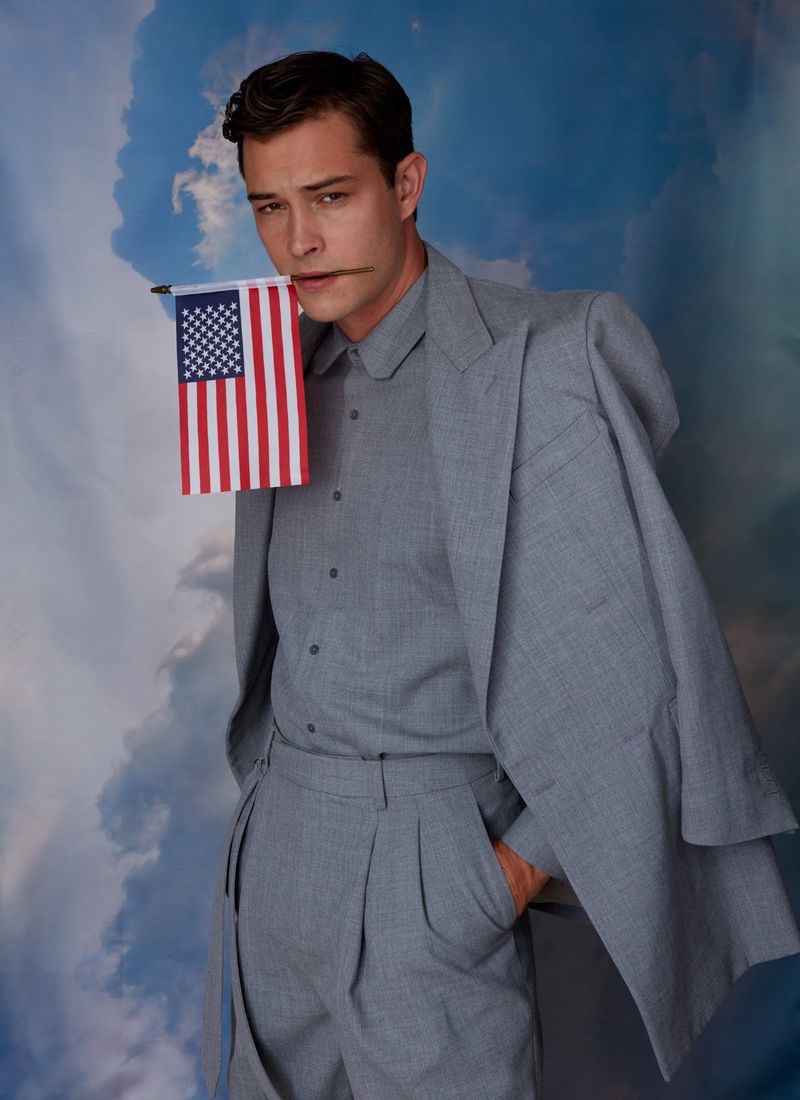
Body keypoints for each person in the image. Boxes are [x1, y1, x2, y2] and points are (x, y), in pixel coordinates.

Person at [201, 49, 800, 1100]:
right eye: (269, 207)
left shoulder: (552, 356)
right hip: (274, 846)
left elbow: (636, 658)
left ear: (405, 183)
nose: (298, 241)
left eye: (331, 197)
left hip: (433, 857)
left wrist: (507, 868)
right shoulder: (260, 361)